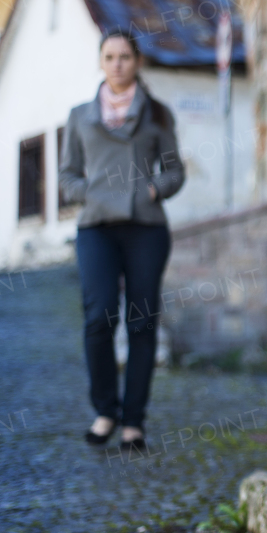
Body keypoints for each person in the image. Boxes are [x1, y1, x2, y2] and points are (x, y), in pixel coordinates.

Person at [59, 30, 185, 452]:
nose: (117, 64)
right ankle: (105, 411)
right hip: (96, 227)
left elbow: (174, 172)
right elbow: (66, 176)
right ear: (100, 61)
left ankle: (134, 421)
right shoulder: (79, 116)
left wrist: (151, 190)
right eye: (109, 56)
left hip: (145, 227)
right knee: (98, 318)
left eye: (125, 57)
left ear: (137, 62)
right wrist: (91, 191)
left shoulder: (158, 115)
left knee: (142, 321)